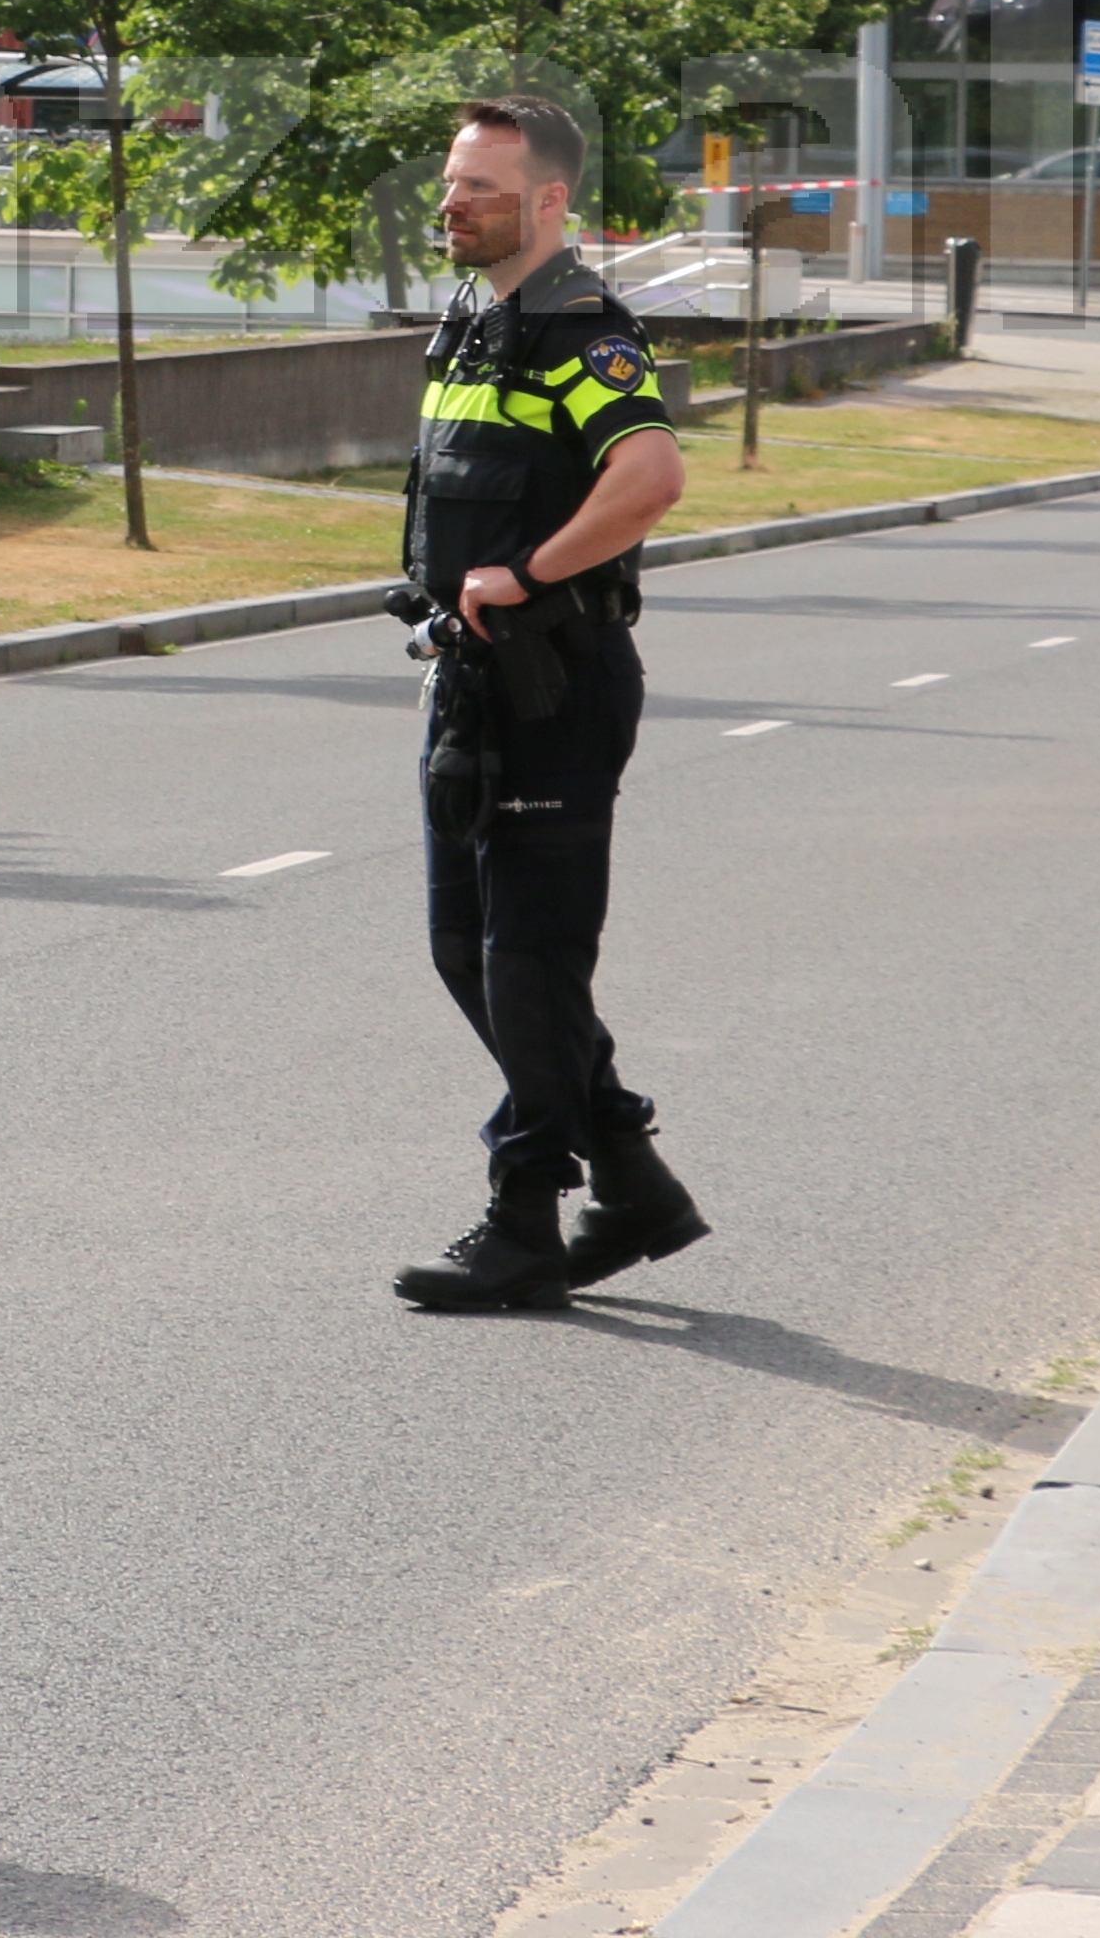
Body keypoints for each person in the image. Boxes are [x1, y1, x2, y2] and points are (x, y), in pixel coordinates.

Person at [391, 99, 707, 1314]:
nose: (452, 202)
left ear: (550, 202)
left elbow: (652, 475)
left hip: (557, 680)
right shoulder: (477, 322)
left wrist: (527, 575)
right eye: (452, 183)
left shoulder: (583, 329)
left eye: (478, 186)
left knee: (528, 960)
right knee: (465, 951)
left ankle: (527, 1221)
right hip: (471, 685)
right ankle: (628, 1174)